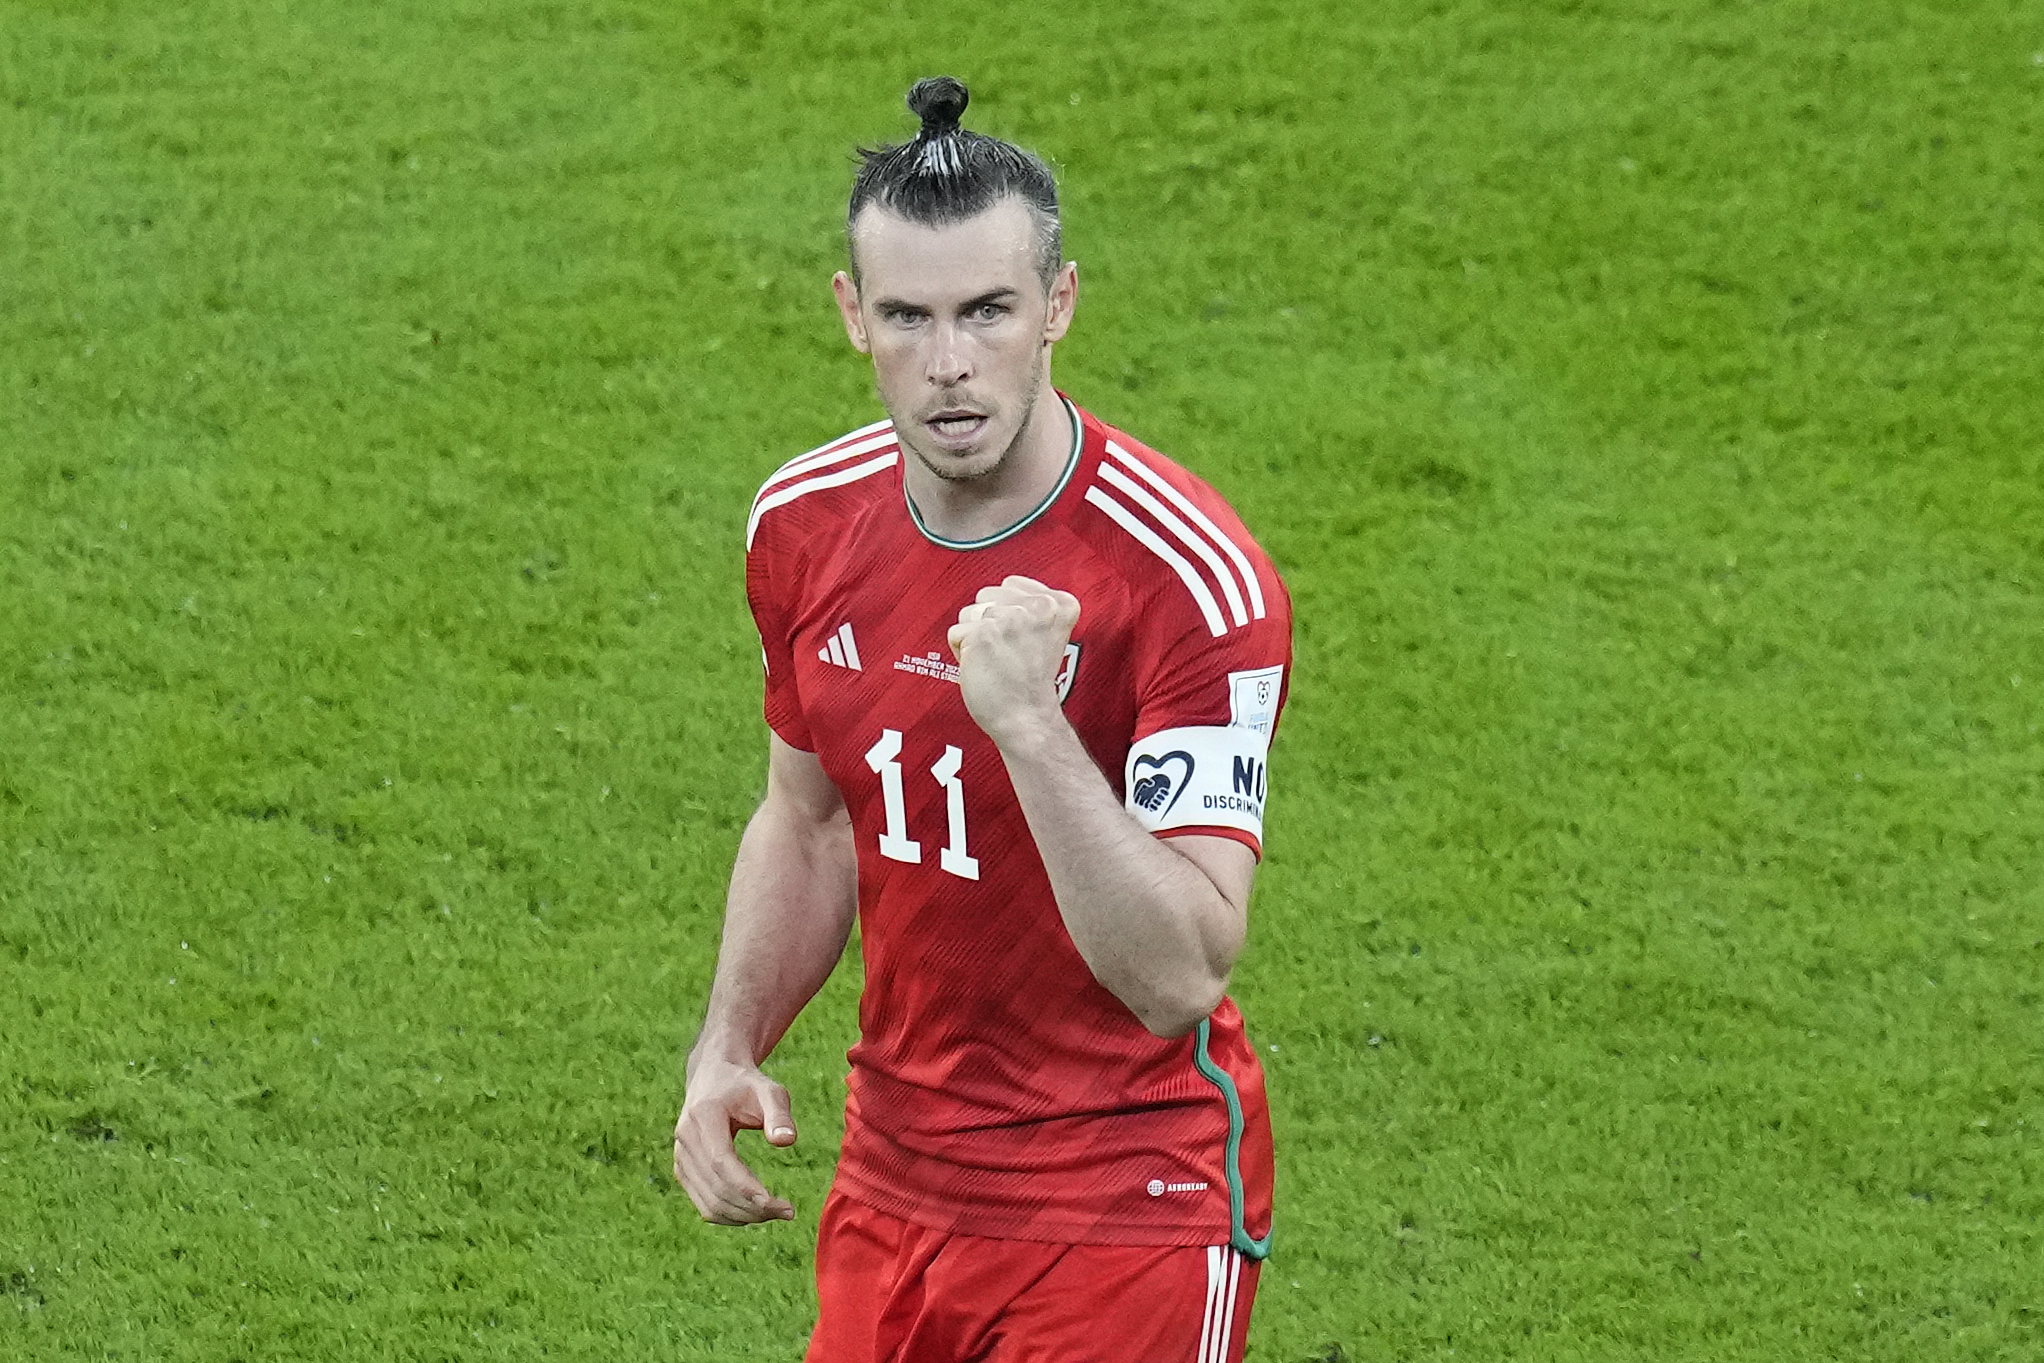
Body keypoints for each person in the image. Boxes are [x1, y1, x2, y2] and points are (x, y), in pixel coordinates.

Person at [672, 75, 1292, 1362]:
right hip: (895, 1183)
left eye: (987, 312)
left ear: (1056, 304)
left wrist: (1031, 727)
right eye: (908, 316)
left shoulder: (1185, 577)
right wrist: (726, 1046)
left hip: (1128, 1202)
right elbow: (807, 818)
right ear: (852, 315)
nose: (949, 364)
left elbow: (1181, 972)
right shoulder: (802, 522)